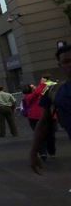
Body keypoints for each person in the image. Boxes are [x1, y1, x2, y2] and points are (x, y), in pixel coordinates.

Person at [30, 44, 71, 174]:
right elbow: (44, 122)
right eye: (66, 61)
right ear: (60, 65)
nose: (70, 64)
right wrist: (34, 151)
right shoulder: (55, 91)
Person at [22, 84, 55, 161]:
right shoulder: (29, 96)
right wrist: (42, 84)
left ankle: (47, 151)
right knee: (40, 135)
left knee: (47, 134)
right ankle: (43, 152)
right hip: (35, 117)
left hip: (40, 117)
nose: (34, 87)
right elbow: (37, 92)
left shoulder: (38, 94)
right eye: (32, 87)